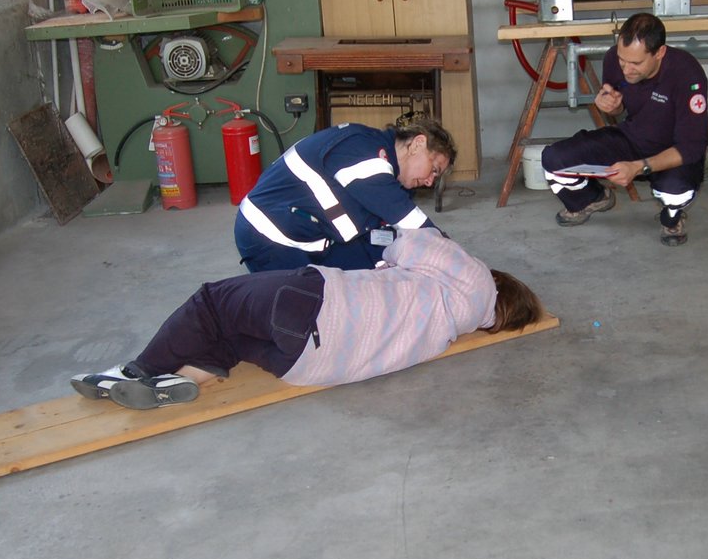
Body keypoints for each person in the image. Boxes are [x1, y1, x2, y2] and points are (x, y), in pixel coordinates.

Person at [72, 229, 541, 405]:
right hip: (307, 368)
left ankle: (130, 373)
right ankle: (180, 380)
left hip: (316, 307)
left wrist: (393, 251)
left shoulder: (477, 279)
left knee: (213, 303)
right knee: (233, 337)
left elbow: (409, 242)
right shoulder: (449, 331)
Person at [541, 12, 708, 246]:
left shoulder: (687, 73)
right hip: (631, 138)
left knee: (674, 191)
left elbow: (692, 147)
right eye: (622, 60)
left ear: (660, 53)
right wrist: (611, 107)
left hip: (673, 153)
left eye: (636, 63)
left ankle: (671, 217)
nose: (627, 69)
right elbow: (617, 106)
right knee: (554, 159)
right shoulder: (613, 60)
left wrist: (639, 167)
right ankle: (593, 199)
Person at [234, 118, 454, 274]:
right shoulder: (364, 151)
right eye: (434, 169)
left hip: (316, 237)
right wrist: (454, 256)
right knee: (309, 313)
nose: (430, 182)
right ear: (418, 143)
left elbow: (380, 234)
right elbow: (409, 220)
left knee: (377, 282)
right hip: (269, 236)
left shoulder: (389, 177)